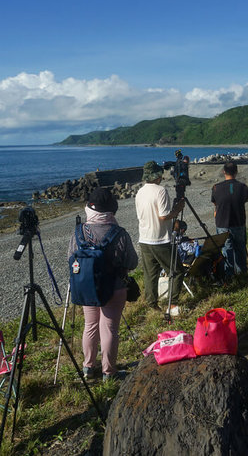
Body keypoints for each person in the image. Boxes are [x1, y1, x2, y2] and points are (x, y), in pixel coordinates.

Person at [67, 187, 138, 381]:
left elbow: (71, 258)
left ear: (90, 208)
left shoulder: (79, 232)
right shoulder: (120, 233)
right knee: (109, 328)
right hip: (115, 287)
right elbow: (132, 262)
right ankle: (109, 372)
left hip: (88, 286)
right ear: (111, 210)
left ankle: (88, 368)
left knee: (90, 325)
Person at [135, 161, 185, 310]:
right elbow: (163, 216)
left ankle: (152, 304)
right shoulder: (160, 191)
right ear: (157, 176)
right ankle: (173, 303)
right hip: (160, 239)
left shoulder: (140, 192)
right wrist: (177, 209)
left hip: (144, 238)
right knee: (176, 271)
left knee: (151, 274)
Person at [211, 161, 248, 276]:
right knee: (240, 249)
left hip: (223, 223)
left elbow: (215, 203)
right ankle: (242, 273)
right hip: (238, 221)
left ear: (223, 172)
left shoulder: (216, 187)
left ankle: (229, 275)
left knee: (227, 250)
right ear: (236, 172)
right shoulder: (243, 187)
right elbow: (243, 200)